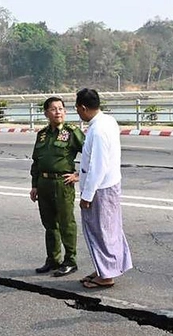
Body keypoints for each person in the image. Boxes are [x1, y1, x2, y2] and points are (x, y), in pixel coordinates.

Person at [74, 88, 133, 289]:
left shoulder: (98, 130)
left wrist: (87, 195)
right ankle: (104, 268)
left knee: (100, 232)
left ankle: (106, 275)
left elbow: (98, 166)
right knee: (110, 229)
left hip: (101, 189)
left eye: (77, 109)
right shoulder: (108, 121)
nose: (78, 113)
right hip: (110, 184)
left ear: (83, 107)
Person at [29, 97, 85, 276]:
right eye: (53, 109)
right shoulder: (42, 135)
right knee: (49, 224)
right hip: (44, 183)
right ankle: (53, 259)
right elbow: (36, 162)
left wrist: (79, 175)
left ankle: (70, 260)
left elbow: (90, 153)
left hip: (62, 183)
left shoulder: (72, 132)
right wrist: (34, 185)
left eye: (61, 108)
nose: (58, 112)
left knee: (66, 223)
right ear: (46, 113)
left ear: (65, 112)